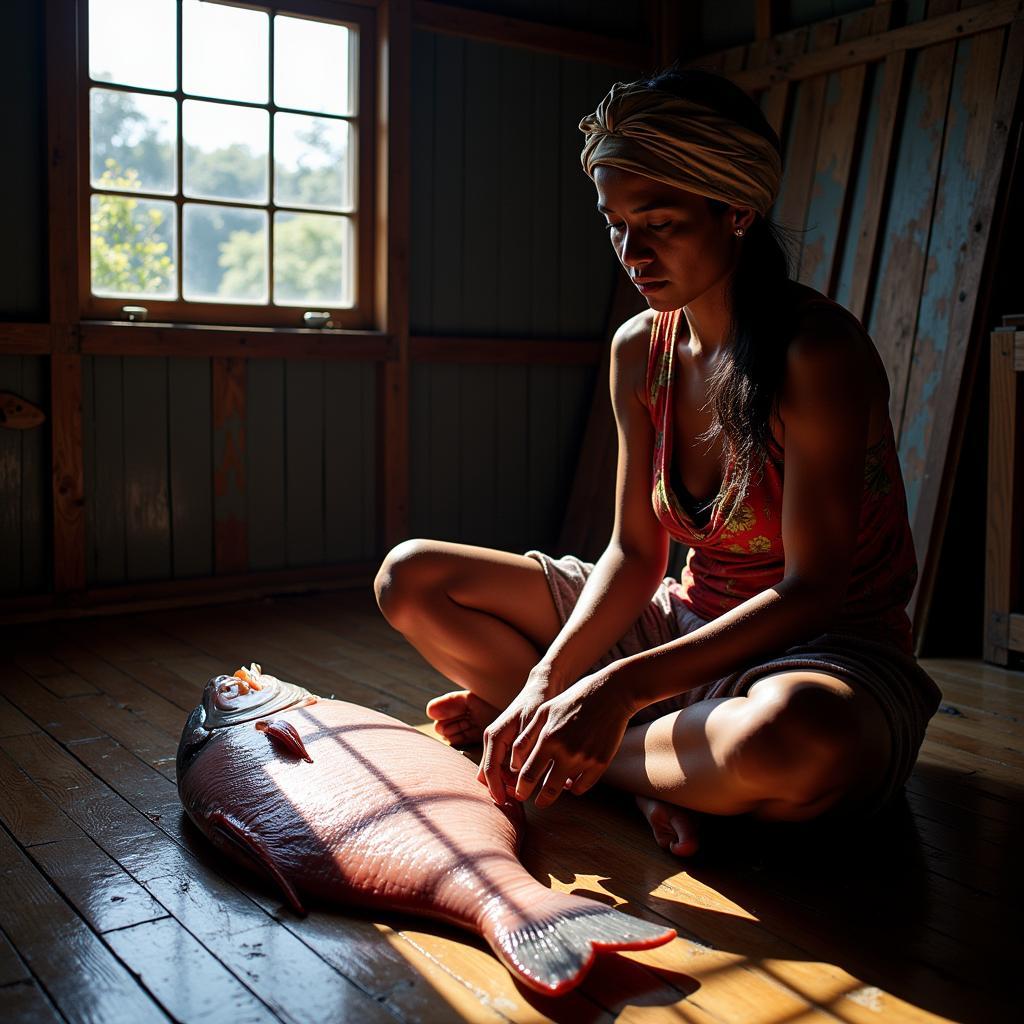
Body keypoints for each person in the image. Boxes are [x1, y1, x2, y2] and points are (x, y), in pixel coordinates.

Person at [374, 67, 941, 856]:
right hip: (682, 622)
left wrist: (616, 688)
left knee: (790, 743)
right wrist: (550, 680)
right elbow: (635, 553)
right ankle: (629, 765)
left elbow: (813, 591)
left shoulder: (817, 354)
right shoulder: (640, 350)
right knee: (412, 578)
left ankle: (598, 752)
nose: (631, 251)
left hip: (819, 656)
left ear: (737, 210)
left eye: (660, 222)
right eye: (615, 223)